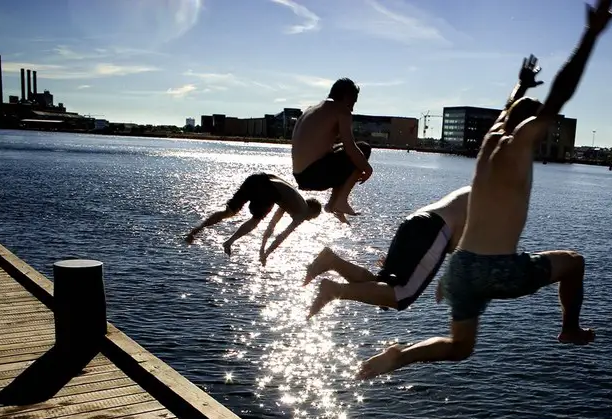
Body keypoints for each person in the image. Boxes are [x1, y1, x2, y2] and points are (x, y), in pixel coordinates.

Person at [357, 0, 612, 380]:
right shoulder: (518, 143)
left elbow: (506, 109)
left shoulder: (492, 138)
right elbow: (562, 94)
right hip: (495, 269)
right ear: (531, 123)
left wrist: (521, 84)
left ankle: (400, 356)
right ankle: (569, 329)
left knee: (460, 347)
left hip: (461, 266)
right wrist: (590, 35)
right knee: (575, 262)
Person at [303, 186, 470, 319]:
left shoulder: (476, 189)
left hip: (416, 222)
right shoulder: (490, 199)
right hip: (435, 230)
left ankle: (332, 261)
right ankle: (333, 290)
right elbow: (469, 243)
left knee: (383, 289)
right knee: (402, 296)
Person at [291, 78, 373, 223]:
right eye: (352, 103)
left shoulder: (311, 109)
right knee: (363, 149)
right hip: (314, 174)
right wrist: (367, 168)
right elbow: (350, 146)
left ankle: (333, 204)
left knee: (346, 154)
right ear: (347, 97)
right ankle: (340, 202)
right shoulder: (342, 110)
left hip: (300, 175)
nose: (352, 109)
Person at [184, 172, 322, 258]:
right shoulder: (302, 213)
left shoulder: (292, 202)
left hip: (256, 178)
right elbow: (282, 236)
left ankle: (197, 230)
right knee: (255, 220)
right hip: (267, 188)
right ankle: (229, 242)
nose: (309, 220)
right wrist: (266, 254)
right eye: (313, 217)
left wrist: (262, 248)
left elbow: (272, 225)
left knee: (229, 212)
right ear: (311, 211)